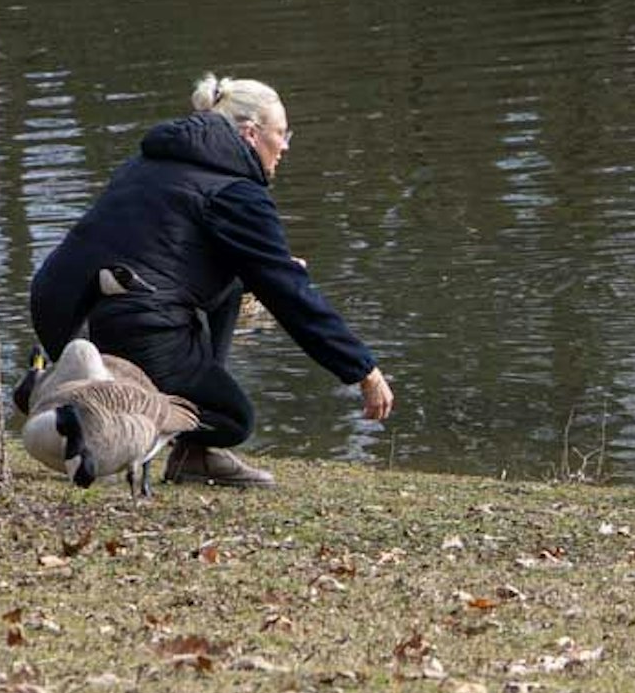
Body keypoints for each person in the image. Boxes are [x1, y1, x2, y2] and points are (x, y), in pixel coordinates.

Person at [28, 73, 393, 487]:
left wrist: (260, 268)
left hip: (60, 313)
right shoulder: (236, 191)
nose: (286, 145)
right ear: (251, 134)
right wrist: (363, 370)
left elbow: (158, 249)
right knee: (233, 417)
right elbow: (290, 294)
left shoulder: (149, 163)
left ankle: (73, 395)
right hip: (129, 325)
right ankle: (136, 431)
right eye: (282, 133)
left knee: (238, 280)